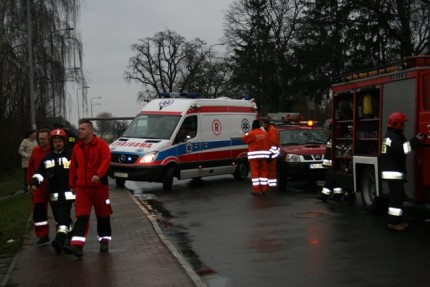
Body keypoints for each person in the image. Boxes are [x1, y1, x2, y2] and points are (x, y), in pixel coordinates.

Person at [63, 119, 113, 257]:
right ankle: (77, 246)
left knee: (103, 215)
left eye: (82, 129)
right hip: (82, 188)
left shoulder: (101, 145)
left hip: (99, 187)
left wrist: (98, 174)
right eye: (79, 128)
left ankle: (104, 240)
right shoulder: (77, 148)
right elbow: (73, 167)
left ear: (90, 130)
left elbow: (105, 160)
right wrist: (72, 184)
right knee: (82, 216)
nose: (79, 131)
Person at [30, 128, 74, 254]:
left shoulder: (71, 155)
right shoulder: (47, 158)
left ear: (64, 142)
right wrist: (34, 183)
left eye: (60, 141)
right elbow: (39, 173)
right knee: (61, 218)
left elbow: (78, 170)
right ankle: (69, 235)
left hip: (67, 194)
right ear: (52, 143)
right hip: (54, 194)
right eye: (55, 141)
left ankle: (59, 240)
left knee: (62, 217)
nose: (57, 143)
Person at [381, 112, 426, 231]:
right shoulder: (393, 137)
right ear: (397, 124)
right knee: (397, 198)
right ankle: (394, 222)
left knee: (397, 197)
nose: (404, 126)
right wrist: (416, 140)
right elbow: (403, 149)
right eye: (402, 124)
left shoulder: (390, 136)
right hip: (393, 173)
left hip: (392, 172)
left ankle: (396, 220)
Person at [27, 128, 52, 245]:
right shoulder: (36, 151)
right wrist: (30, 183)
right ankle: (42, 235)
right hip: (39, 187)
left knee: (59, 212)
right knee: (38, 211)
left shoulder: (54, 151)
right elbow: (31, 167)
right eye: (40, 139)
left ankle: (62, 235)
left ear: (49, 138)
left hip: (53, 186)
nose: (41, 141)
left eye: (43, 139)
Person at [317, 119, 344, 202]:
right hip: (337, 162)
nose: (328, 130)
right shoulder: (338, 136)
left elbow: (329, 151)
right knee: (335, 179)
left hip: (332, 163)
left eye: (329, 128)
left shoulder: (333, 138)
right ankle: (337, 195)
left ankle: (324, 196)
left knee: (329, 179)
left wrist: (326, 163)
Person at [242, 120, 271, 195]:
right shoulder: (265, 134)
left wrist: (249, 132)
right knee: (263, 173)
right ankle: (264, 189)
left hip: (254, 157)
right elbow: (269, 144)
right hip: (264, 156)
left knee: (255, 173)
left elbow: (244, 138)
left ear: (253, 126)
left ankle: (256, 190)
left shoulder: (252, 133)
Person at [261, 118, 280, 191]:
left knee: (271, 171)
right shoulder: (268, 130)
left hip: (272, 154)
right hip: (270, 154)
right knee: (270, 171)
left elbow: (273, 144)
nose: (262, 125)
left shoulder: (272, 130)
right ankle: (270, 186)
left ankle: (272, 187)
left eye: (263, 123)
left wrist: (270, 155)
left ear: (266, 123)